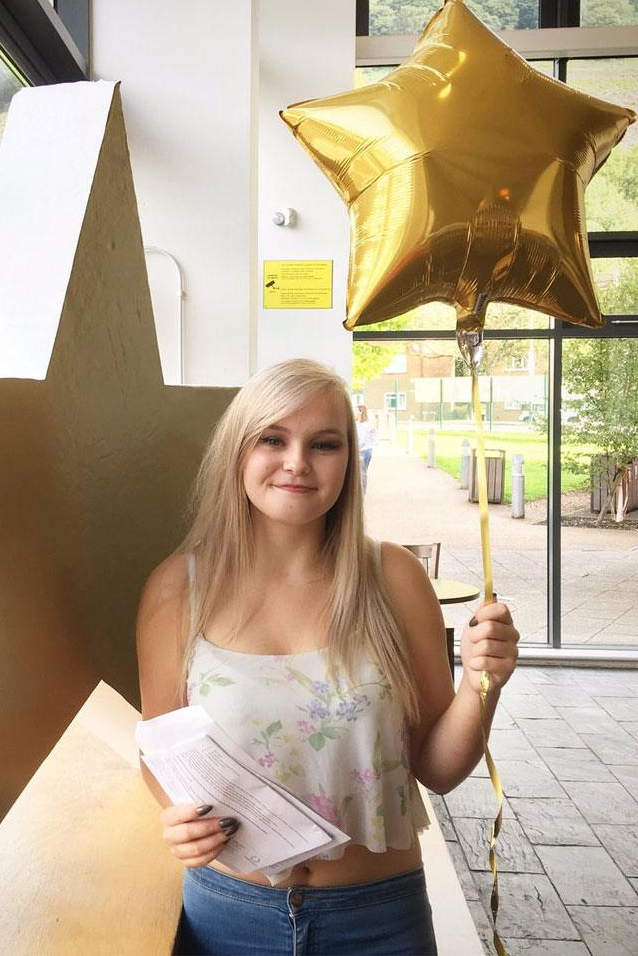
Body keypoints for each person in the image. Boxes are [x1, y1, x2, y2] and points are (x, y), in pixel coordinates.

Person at [135, 358, 519, 956]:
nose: (297, 462)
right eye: (273, 438)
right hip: (227, 915)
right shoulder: (177, 588)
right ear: (239, 451)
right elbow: (159, 752)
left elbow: (439, 770)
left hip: (380, 918)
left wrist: (480, 684)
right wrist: (178, 818)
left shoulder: (393, 578)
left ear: (350, 460)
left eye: (324, 444)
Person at [356, 404, 376, 490]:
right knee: (363, 472)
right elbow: (373, 437)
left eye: (356, 412)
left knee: (361, 474)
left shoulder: (360, 426)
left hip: (362, 451)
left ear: (360, 412)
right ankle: (362, 492)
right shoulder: (368, 424)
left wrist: (355, 449)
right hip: (368, 450)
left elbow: (361, 441)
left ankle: (361, 494)